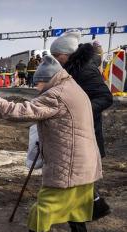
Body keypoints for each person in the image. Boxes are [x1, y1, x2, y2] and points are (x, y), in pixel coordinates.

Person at [0, 55, 102, 232]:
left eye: (39, 83)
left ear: (49, 79)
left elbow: (17, 111)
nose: (37, 88)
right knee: (77, 200)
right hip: (84, 158)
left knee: (46, 201)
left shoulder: (57, 94)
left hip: (69, 160)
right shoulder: (73, 87)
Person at [50, 30, 113, 220]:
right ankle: (87, 219)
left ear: (67, 54)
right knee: (79, 180)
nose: (54, 60)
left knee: (77, 179)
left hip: (86, 130)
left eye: (56, 56)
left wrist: (80, 110)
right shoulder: (71, 68)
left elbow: (105, 97)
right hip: (75, 130)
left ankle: (92, 212)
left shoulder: (84, 69)